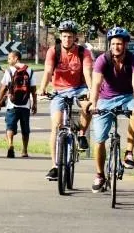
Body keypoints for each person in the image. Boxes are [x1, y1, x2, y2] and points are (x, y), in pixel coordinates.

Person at [89, 26, 134, 192]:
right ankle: (100, 175)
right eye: (113, 44)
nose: (116, 47)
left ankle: (129, 152)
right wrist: (93, 103)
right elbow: (96, 84)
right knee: (99, 140)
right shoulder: (102, 60)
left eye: (119, 44)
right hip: (105, 99)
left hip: (128, 96)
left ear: (126, 44)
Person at [37, 20, 94, 181]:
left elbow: (88, 74)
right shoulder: (53, 51)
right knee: (56, 126)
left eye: (70, 36)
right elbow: (48, 71)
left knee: (87, 106)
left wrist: (91, 91)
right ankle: (55, 166)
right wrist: (42, 88)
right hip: (59, 90)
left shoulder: (83, 53)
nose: (67, 39)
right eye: (64, 36)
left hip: (79, 87)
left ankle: (82, 134)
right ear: (60, 37)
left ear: (75, 37)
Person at [0, 49, 33, 158]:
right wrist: (34, 104)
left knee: (10, 126)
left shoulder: (9, 71)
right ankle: (24, 150)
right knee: (25, 129)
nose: (8, 60)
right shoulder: (29, 70)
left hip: (12, 104)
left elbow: (3, 87)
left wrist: (0, 99)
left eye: (10, 58)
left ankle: (10, 144)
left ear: (16, 58)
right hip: (25, 105)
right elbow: (33, 89)